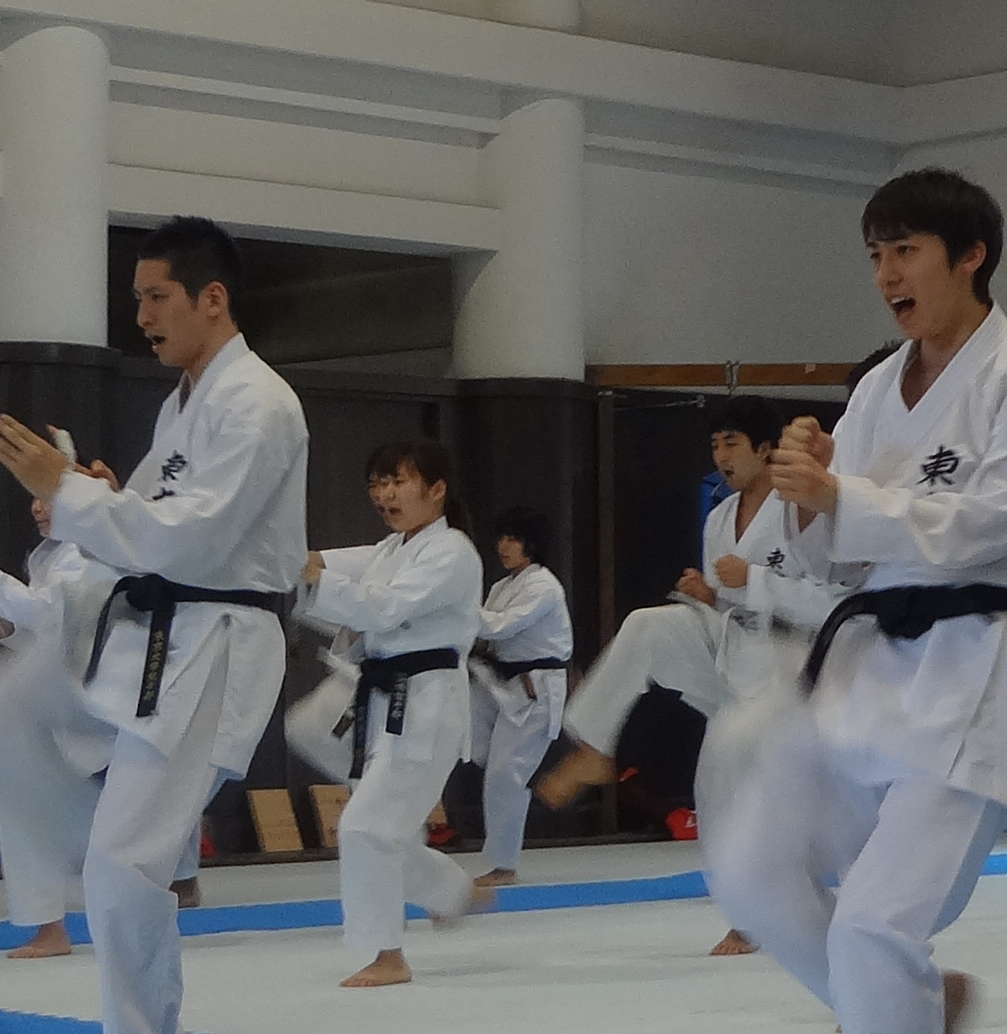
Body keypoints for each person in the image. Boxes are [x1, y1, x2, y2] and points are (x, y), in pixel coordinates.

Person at [706, 167, 1007, 1034]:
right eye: (875, 255)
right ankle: (924, 1008)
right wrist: (810, 494)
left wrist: (846, 495)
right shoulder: (879, 388)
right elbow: (834, 559)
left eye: (906, 250)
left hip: (972, 669)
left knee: (875, 924)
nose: (886, 274)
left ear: (970, 256)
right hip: (869, 665)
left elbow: (998, 522)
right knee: (748, 870)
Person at [0, 217, 306, 1034]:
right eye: (137, 300)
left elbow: (192, 537)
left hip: (216, 643)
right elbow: (149, 515)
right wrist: (86, 496)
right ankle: (94, 852)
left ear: (212, 298)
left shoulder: (258, 403)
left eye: (157, 297)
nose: (143, 317)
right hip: (159, 633)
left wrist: (71, 492)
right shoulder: (185, 404)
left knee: (123, 866)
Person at [535, 398, 824, 950]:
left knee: (732, 789)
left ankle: (760, 916)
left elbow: (829, 600)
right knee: (649, 625)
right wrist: (710, 595)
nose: (720, 456)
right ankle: (595, 746)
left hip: (786, 669)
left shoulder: (805, 510)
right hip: (729, 650)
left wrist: (752, 580)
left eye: (731, 443)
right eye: (714, 445)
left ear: (766, 448)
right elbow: (729, 600)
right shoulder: (719, 516)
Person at [290, 436, 486, 987]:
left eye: (398, 481)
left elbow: (385, 606)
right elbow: (321, 565)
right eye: (377, 483)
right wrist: (292, 559)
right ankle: (451, 892)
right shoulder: (390, 550)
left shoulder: (452, 552)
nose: (385, 494)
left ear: (436, 489)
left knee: (366, 826)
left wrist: (318, 578)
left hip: (425, 706)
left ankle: (388, 954)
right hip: (380, 700)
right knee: (367, 809)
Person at [0, 438, 120, 959]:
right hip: (62, 686)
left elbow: (56, 618)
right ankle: (50, 922)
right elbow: (40, 633)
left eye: (49, 494)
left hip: (107, 688)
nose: (38, 506)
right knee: (10, 782)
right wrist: (2, 618)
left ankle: (108, 867)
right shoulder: (51, 556)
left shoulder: (97, 549)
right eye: (34, 495)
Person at [466, 505, 576, 884]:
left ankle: (504, 866)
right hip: (501, 683)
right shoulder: (502, 586)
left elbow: (500, 627)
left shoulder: (543, 585)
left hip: (536, 688)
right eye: (501, 538)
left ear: (533, 543)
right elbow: (484, 637)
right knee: (462, 737)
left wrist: (455, 610)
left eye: (513, 539)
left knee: (505, 774)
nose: (504, 546)